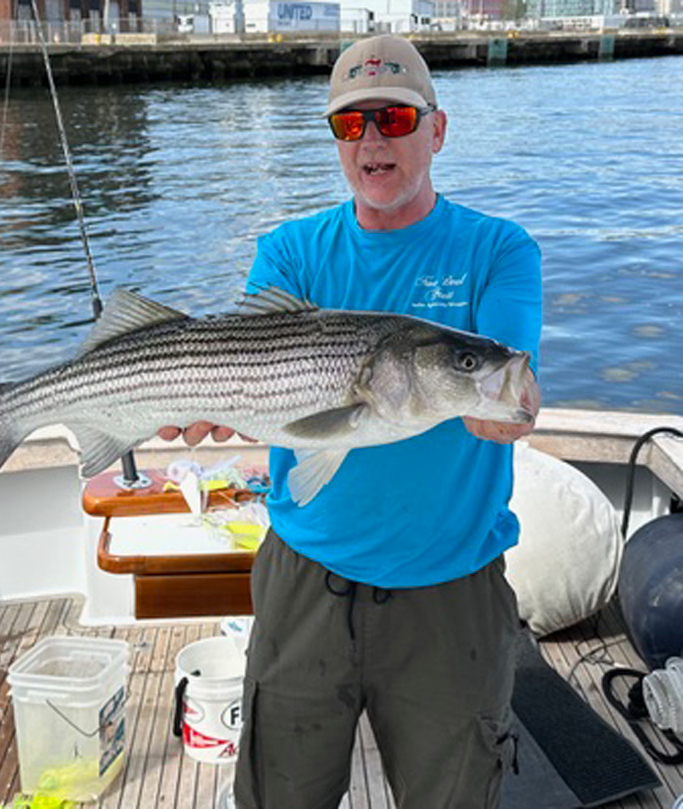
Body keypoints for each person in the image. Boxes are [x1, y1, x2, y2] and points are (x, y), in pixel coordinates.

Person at [160, 34, 542, 809]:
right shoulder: (291, 250)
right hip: (305, 584)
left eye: (395, 118)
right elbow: (244, 359)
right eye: (350, 124)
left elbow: (507, 378)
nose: (373, 140)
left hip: (451, 594)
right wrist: (203, 399)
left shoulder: (499, 249)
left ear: (437, 129)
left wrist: (504, 407)